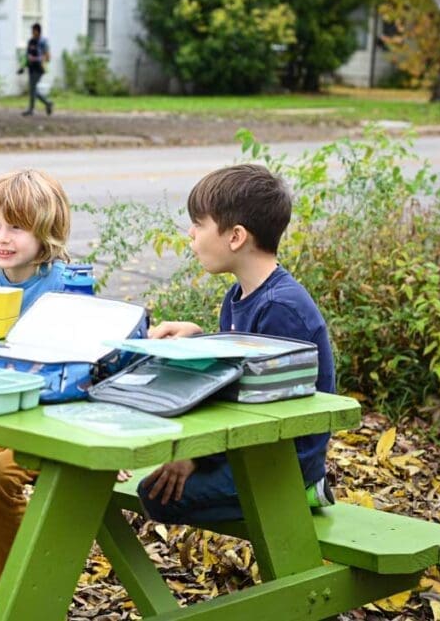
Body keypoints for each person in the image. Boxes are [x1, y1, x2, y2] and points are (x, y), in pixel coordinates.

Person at [139, 163, 337, 524]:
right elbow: (242, 375)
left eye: (199, 224)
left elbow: (267, 409)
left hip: (282, 462)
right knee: (153, 482)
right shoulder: (240, 296)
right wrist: (200, 341)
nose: (190, 233)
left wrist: (197, 457)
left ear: (236, 237)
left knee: (156, 496)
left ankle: (298, 496)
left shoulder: (281, 309)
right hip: (254, 445)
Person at [0, 168, 70, 611]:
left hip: (47, 417)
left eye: (17, 227)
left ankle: (17, 587)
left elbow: (83, 364)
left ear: (47, 234)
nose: (1, 238)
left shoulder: (63, 285)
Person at [20, 23, 53, 117]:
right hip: (31, 67)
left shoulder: (43, 42)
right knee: (33, 90)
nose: (32, 32)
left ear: (38, 31)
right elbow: (27, 55)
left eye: (33, 31)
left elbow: (47, 57)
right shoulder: (31, 41)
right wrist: (22, 66)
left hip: (39, 68)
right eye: (32, 31)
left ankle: (31, 109)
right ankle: (48, 103)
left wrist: (37, 59)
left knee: (32, 89)